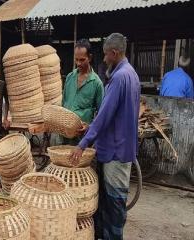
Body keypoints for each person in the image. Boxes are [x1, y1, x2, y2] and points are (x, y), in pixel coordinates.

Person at [71, 33, 140, 240]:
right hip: (121, 147)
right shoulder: (132, 74)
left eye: (105, 55)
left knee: (114, 203)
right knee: (111, 201)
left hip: (115, 150)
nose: (104, 59)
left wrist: (83, 144)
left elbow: (103, 116)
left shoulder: (119, 78)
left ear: (114, 53)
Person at [62, 39, 104, 145]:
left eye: (82, 60)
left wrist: (89, 126)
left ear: (89, 57)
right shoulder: (69, 78)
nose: (78, 63)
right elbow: (63, 103)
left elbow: (102, 114)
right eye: (76, 60)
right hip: (65, 134)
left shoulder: (96, 83)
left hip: (83, 139)